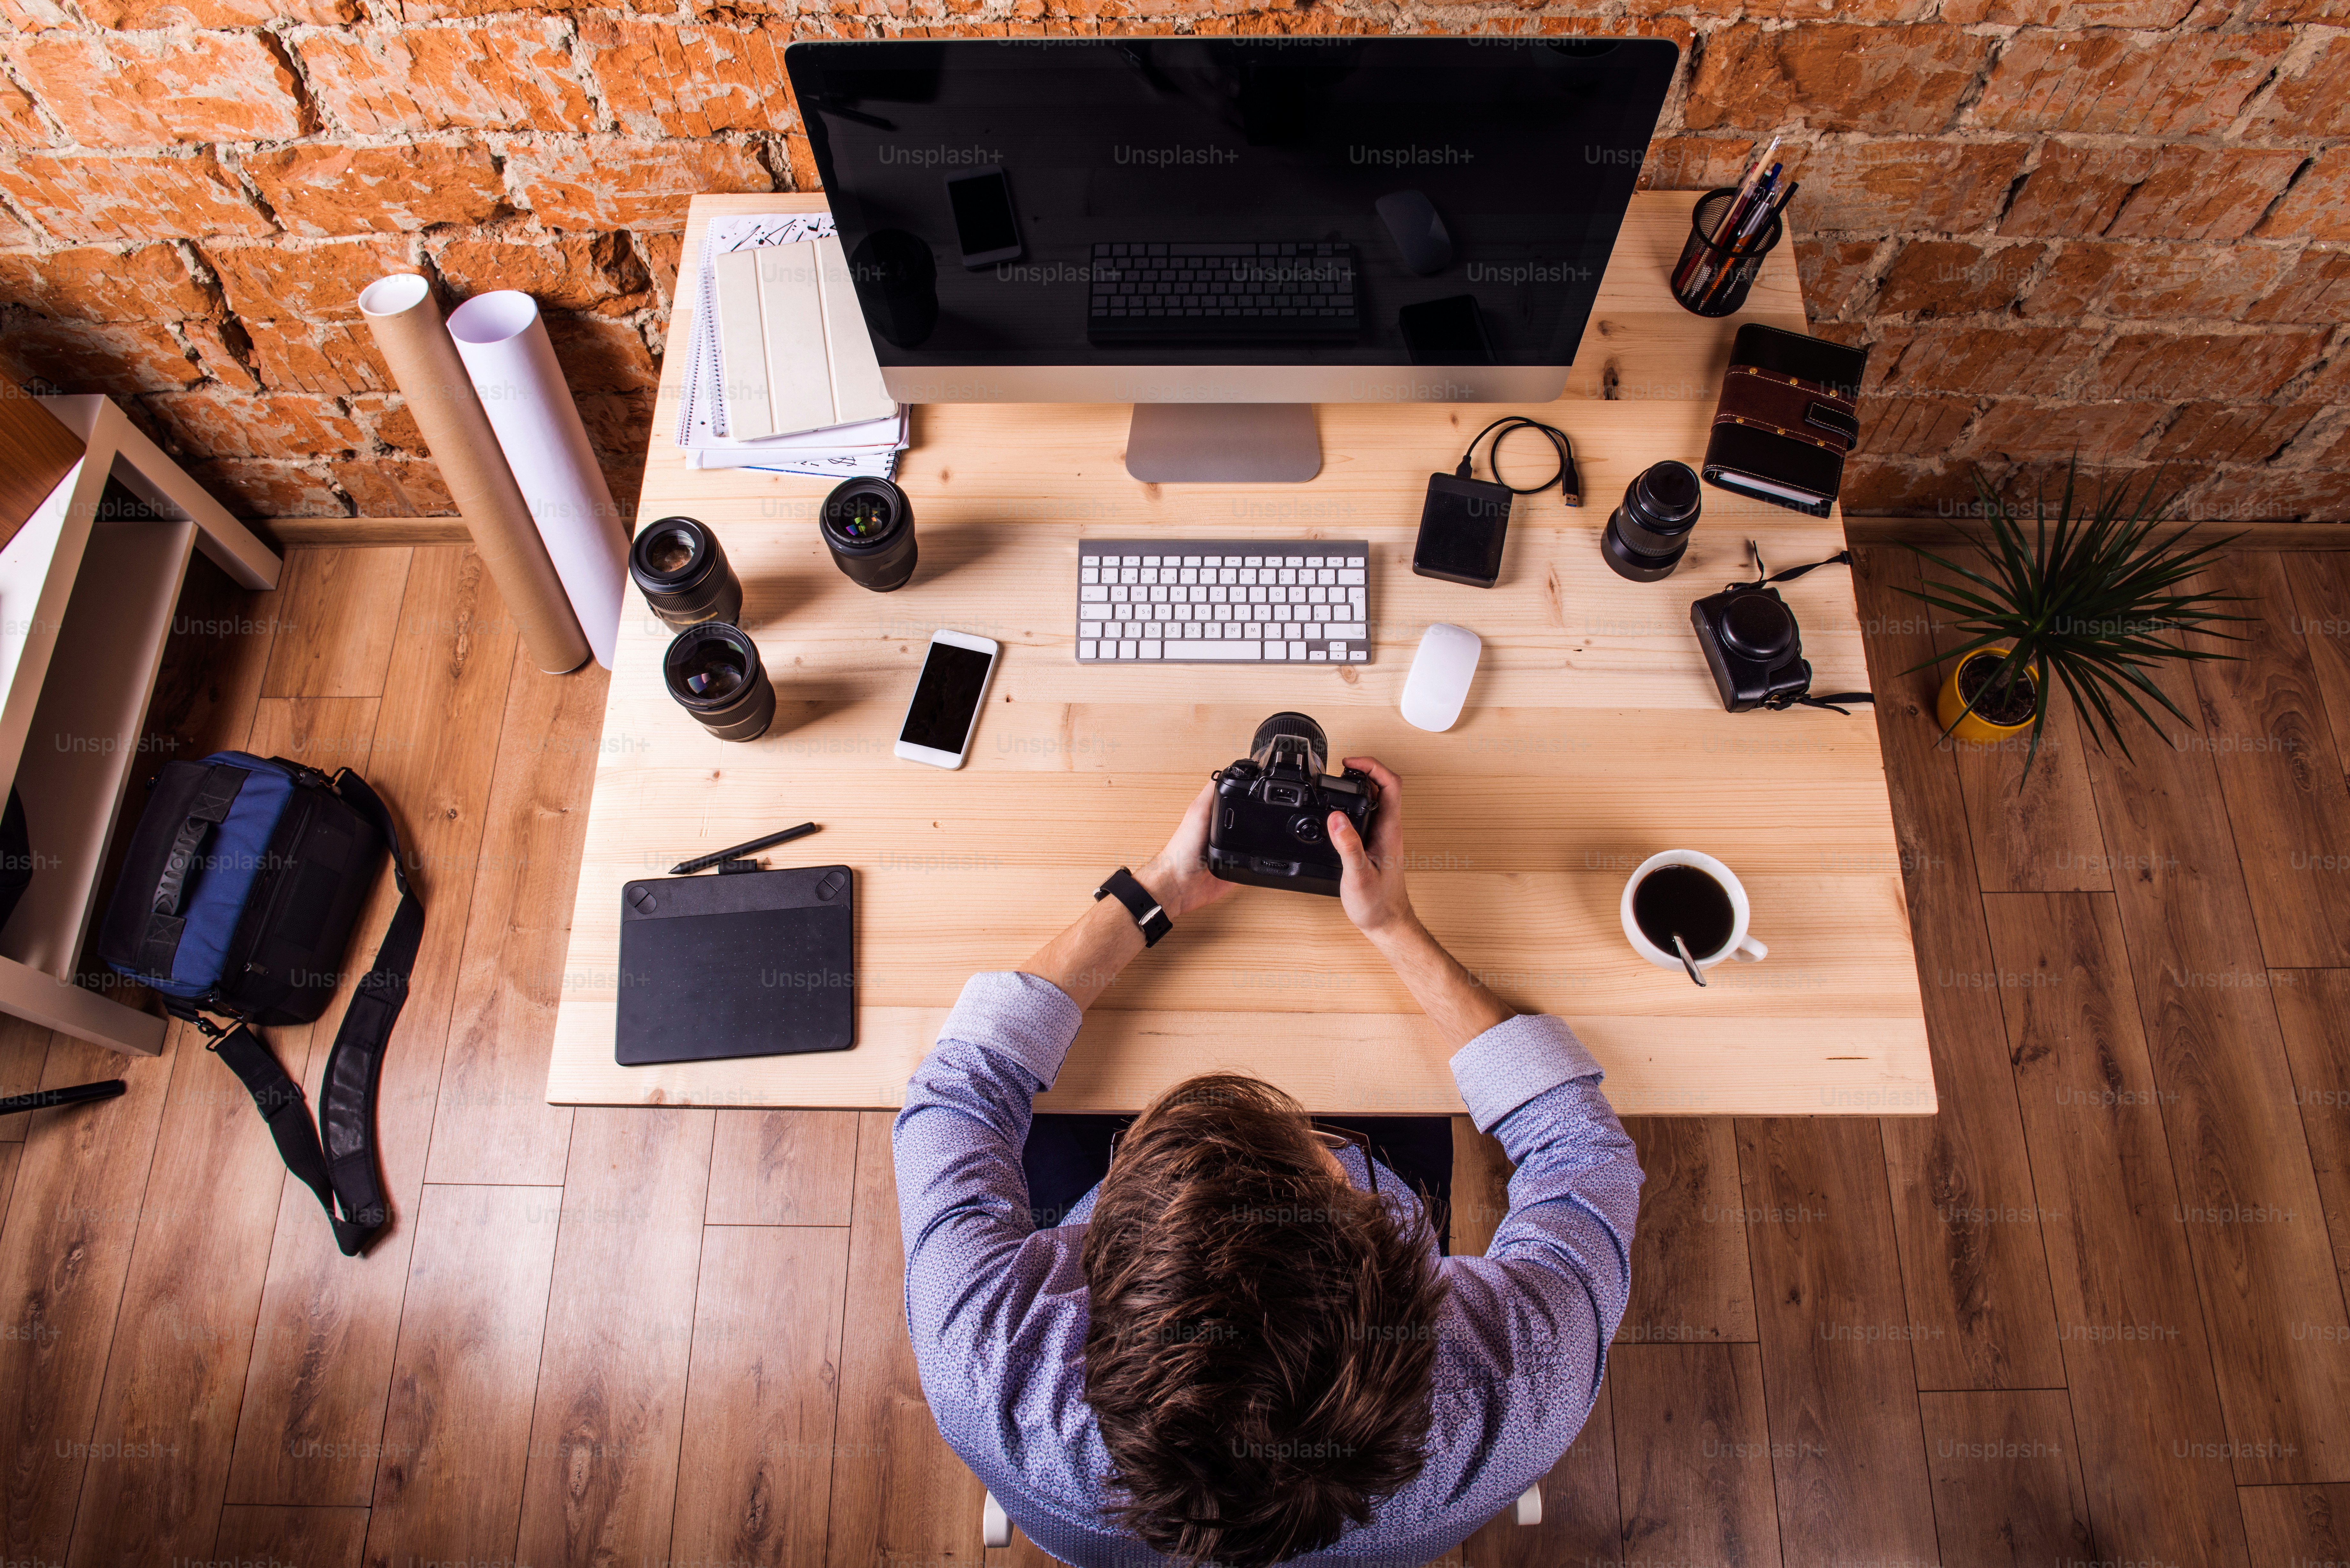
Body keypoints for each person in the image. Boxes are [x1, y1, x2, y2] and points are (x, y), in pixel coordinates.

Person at [894, 758, 1641, 1567]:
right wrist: (1394, 926)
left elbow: (955, 1098)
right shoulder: (1518, 1385)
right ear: (1399, 1279)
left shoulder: (986, 1363)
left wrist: (1155, 893)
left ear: (1092, 1276)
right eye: (1329, 1162)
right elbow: (1581, 1147)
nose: (1312, 1132)